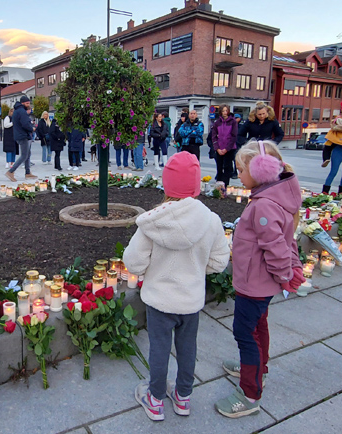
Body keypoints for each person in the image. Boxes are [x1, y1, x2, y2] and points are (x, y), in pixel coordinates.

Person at [124, 151, 230, 421]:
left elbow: (134, 263)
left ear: (166, 185)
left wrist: (152, 270)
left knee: (159, 348)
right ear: (196, 185)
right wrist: (195, 271)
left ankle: (155, 399)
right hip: (191, 300)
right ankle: (183, 397)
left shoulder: (153, 221)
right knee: (188, 347)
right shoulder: (211, 220)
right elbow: (219, 262)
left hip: (160, 300)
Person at [216, 140, 304, 418]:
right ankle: (258, 369)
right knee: (258, 326)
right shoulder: (272, 198)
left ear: (261, 171)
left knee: (245, 333)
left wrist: (285, 275)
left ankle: (250, 394)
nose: (237, 174)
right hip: (259, 283)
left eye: (241, 170)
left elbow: (276, 246)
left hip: (254, 284)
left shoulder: (264, 206)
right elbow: (286, 242)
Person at [5, 96, 36, 182]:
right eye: (27, 103)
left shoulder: (17, 110)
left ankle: (28, 172)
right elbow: (25, 124)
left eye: (29, 103)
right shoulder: (22, 111)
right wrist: (32, 129)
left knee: (28, 154)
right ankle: (10, 171)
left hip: (19, 135)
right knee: (24, 155)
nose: (28, 105)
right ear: (22, 103)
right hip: (23, 136)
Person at [211, 105, 238, 187]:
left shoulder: (233, 122)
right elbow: (214, 136)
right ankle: (218, 186)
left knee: (227, 168)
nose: (225, 113)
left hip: (229, 149)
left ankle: (225, 186)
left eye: (226, 111)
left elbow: (234, 136)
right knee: (219, 168)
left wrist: (227, 149)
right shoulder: (217, 122)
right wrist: (217, 148)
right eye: (223, 111)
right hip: (219, 148)